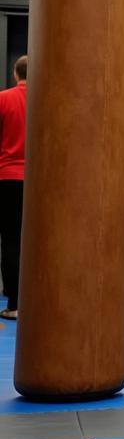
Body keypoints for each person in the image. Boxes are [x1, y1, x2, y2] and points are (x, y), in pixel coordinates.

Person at [0, 55, 28, 321]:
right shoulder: (48, 100)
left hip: (7, 178)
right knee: (38, 243)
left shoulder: (3, 99)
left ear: (15, 74)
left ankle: (14, 304)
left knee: (10, 241)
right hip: (40, 183)